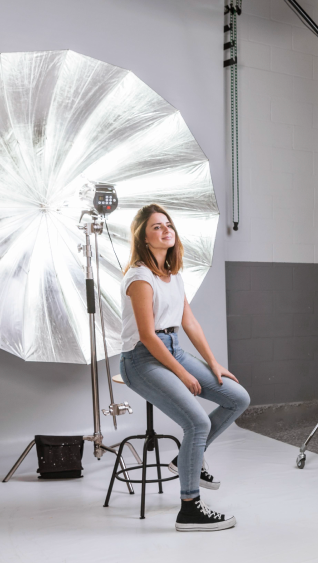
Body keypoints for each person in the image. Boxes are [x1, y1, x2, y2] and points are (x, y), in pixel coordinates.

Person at [119, 203, 250, 532]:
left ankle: (186, 459)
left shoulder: (172, 274)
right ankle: (190, 509)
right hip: (141, 358)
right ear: (144, 239)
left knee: (238, 397)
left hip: (173, 349)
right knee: (196, 422)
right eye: (156, 227)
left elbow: (188, 321)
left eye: (167, 224)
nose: (165, 230)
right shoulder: (140, 277)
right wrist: (183, 373)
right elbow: (148, 336)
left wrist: (212, 362)